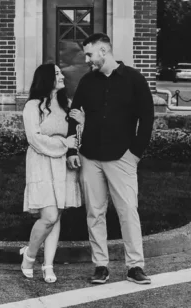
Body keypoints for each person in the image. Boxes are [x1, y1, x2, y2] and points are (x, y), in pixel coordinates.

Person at [66, 32, 155, 287]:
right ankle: (101, 266)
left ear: (104, 51)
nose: (87, 59)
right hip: (90, 156)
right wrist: (73, 149)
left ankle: (135, 266)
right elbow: (74, 115)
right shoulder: (87, 81)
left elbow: (147, 119)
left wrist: (135, 154)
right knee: (95, 212)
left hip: (122, 157)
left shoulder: (135, 80)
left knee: (128, 211)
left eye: (90, 54)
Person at [20, 62, 82, 283]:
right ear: (46, 78)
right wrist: (63, 144)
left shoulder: (67, 105)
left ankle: (48, 265)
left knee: (57, 217)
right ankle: (29, 256)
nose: (62, 75)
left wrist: (79, 129)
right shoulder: (32, 106)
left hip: (63, 166)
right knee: (49, 216)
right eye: (57, 73)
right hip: (41, 163)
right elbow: (34, 139)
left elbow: (77, 133)